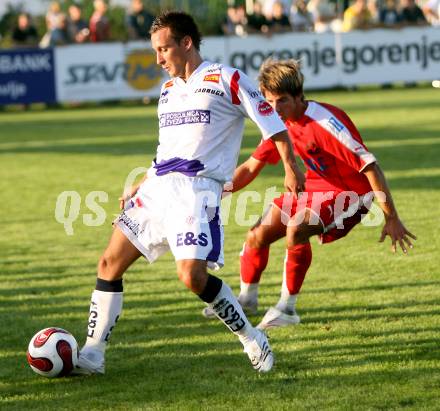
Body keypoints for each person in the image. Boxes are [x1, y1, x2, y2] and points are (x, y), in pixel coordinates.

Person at [72, 12, 305, 376]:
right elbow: (167, 149)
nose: (158, 58)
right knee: (108, 263)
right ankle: (92, 354)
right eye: (155, 51)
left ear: (186, 43)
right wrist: (142, 181)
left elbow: (272, 125)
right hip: (159, 187)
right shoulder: (167, 91)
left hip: (197, 192)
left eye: (164, 48)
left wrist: (292, 168)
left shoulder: (227, 79)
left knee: (192, 277)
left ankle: (251, 337)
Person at [202, 59, 416, 329]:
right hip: (314, 188)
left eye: (282, 101)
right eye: (270, 102)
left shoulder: (325, 122)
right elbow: (250, 167)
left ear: (299, 96)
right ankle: (247, 299)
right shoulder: (277, 124)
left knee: (296, 228)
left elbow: (370, 166)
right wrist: (214, 191)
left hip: (350, 193)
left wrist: (391, 217)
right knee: (257, 233)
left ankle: (287, 309)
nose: (276, 109)